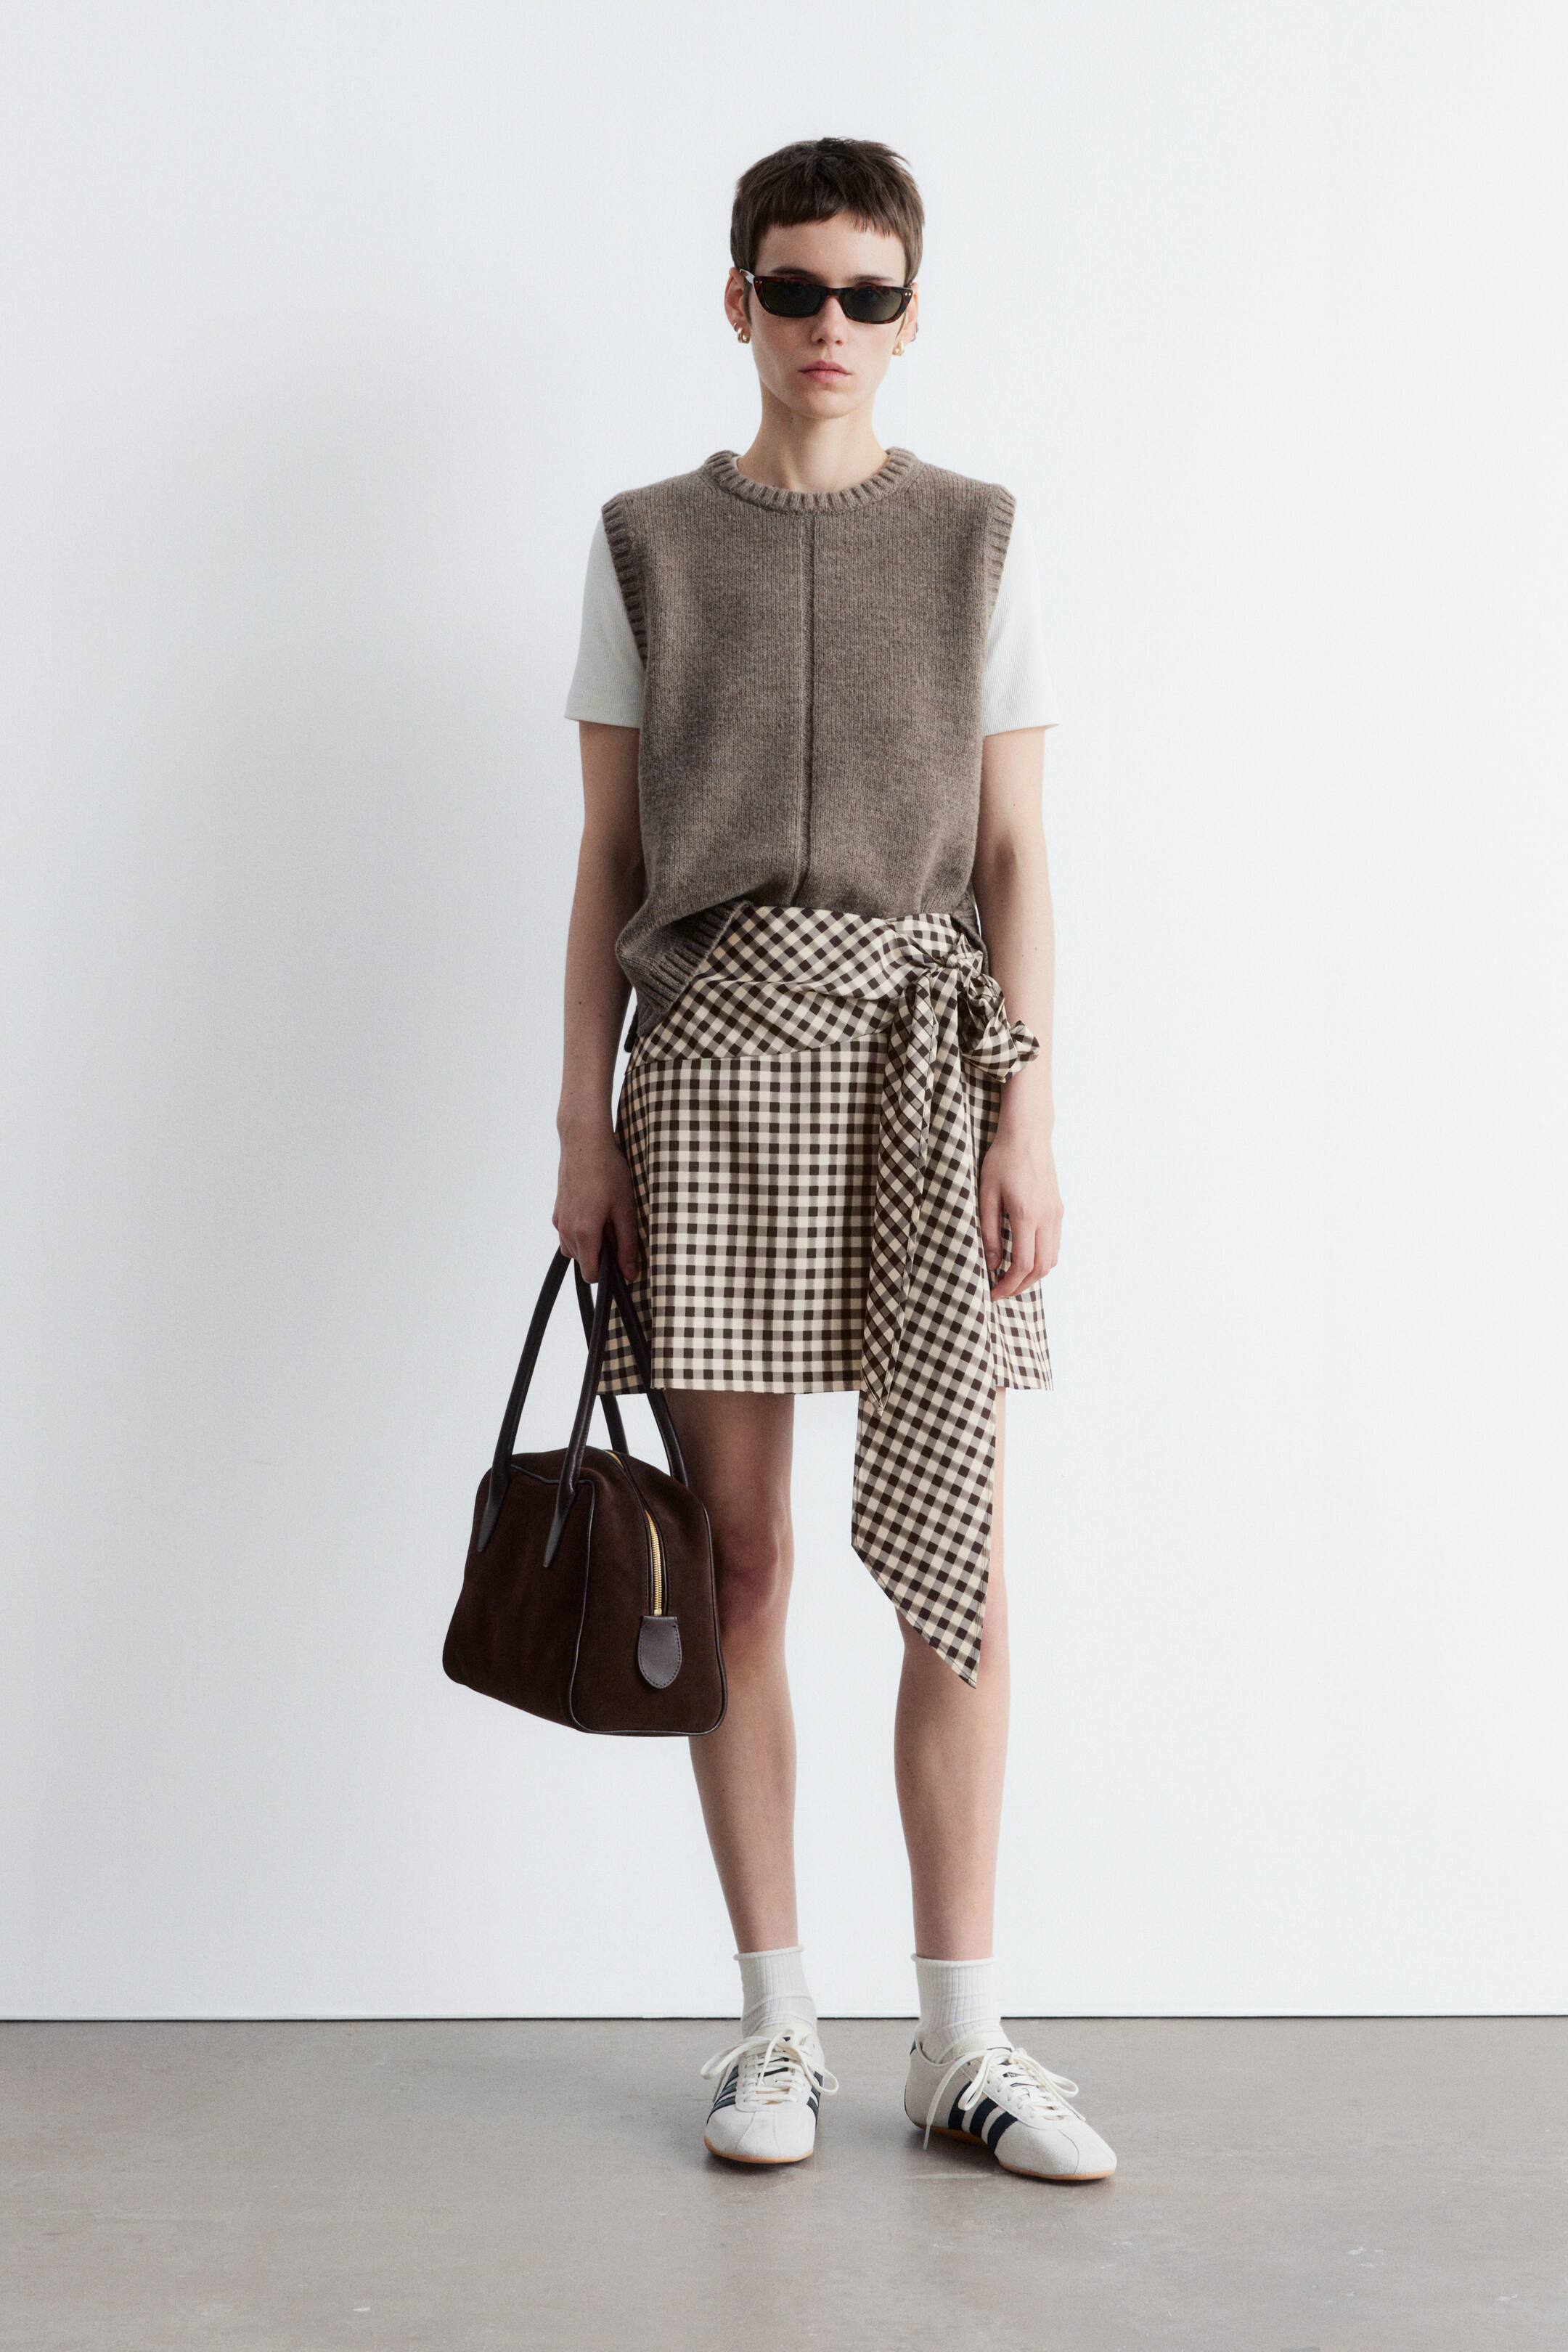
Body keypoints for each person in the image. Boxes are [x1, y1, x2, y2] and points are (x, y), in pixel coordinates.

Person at [553, 135, 1116, 2184]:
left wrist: (1029, 1108)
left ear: (910, 313)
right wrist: (580, 1124)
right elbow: (607, 859)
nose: (828, 327)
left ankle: (962, 2043)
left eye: (868, 295)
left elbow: (1018, 853)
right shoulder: (644, 542)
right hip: (705, 1073)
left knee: (962, 1577)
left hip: (918, 1078)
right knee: (742, 1565)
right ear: (738, 301)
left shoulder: (978, 539)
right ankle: (777, 2027)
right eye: (794, 289)